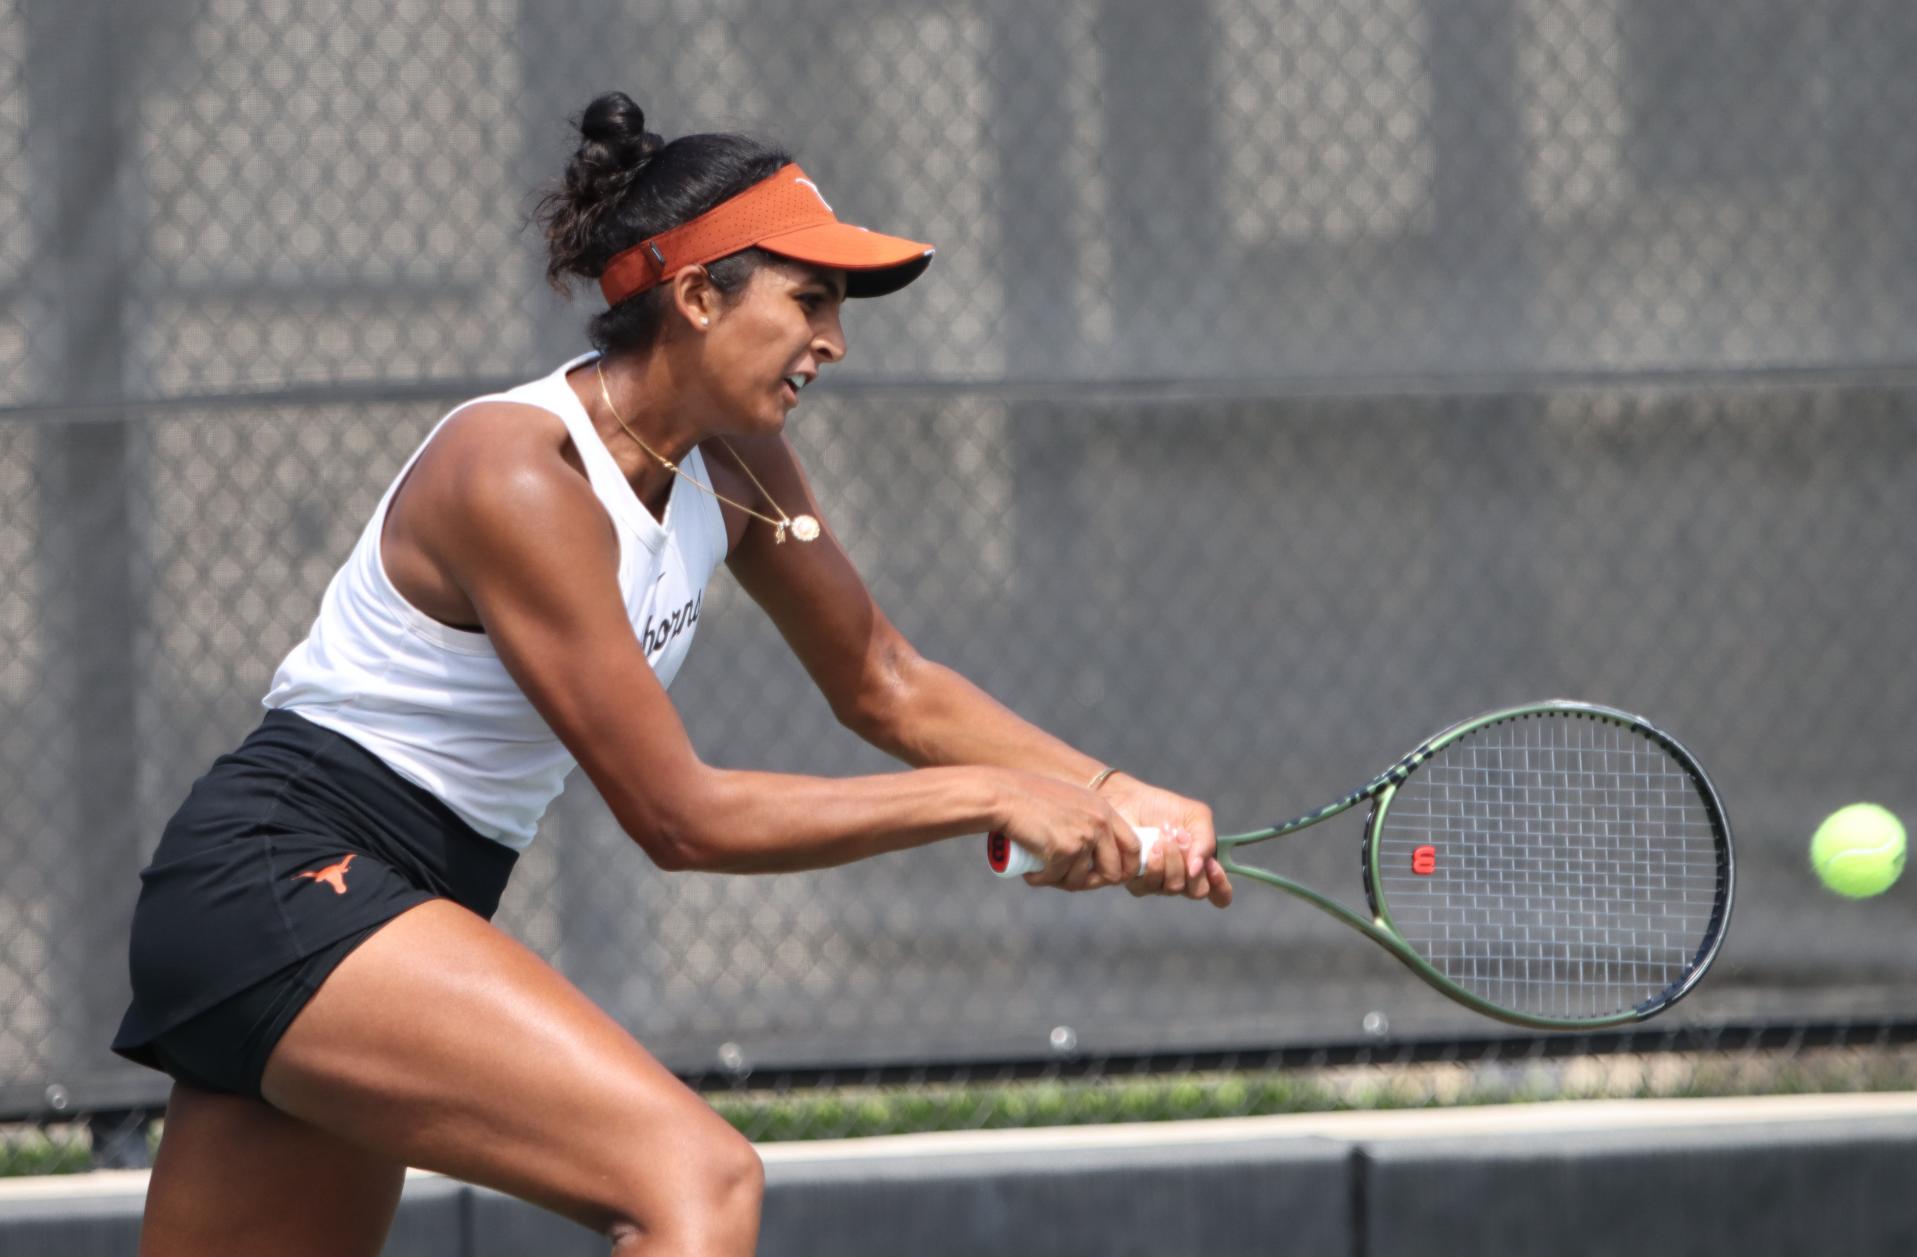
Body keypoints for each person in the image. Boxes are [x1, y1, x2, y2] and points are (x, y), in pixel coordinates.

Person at [114, 91, 1233, 1257]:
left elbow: (886, 682)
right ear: (698, 296)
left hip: (374, 903)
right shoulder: (516, 473)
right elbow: (679, 816)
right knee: (695, 1181)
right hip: (289, 878)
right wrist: (993, 796)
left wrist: (1112, 792)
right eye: (809, 300)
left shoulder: (741, 467)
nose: (834, 341)